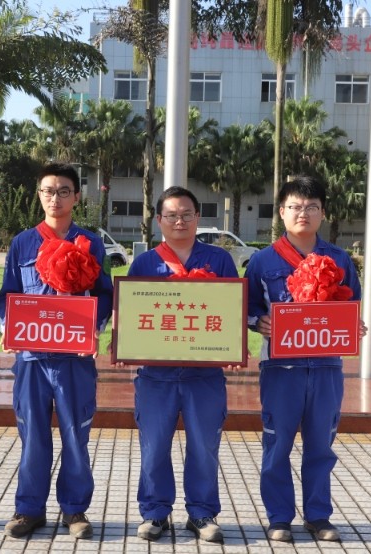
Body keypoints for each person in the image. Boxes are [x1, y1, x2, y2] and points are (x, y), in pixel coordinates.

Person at [0, 162, 113, 540]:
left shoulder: (91, 243)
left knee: (76, 435)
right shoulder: (22, 243)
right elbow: (8, 295)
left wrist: (94, 326)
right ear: (39, 195)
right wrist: (8, 327)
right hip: (31, 358)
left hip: (74, 360)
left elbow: (104, 293)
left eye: (63, 191)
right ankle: (29, 509)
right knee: (32, 435)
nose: (55, 198)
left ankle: (74, 509)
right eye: (48, 190)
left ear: (76, 196)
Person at [245, 175, 363, 543]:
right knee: (277, 444)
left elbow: (351, 303)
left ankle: (318, 516)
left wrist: (353, 325)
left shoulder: (339, 258)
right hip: (280, 367)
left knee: (320, 445)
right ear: (281, 212)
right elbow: (245, 307)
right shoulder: (262, 261)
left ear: (322, 213)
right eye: (295, 206)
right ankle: (279, 518)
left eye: (312, 207)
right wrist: (257, 321)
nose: (303, 213)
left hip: (326, 366)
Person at [123, 186, 238, 543]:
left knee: (204, 446)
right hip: (155, 375)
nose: (179, 221)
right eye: (171, 215)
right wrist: (125, 343)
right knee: (154, 446)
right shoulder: (144, 263)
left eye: (187, 214)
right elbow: (131, 313)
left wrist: (233, 346)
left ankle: (202, 513)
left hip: (204, 374)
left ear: (197, 218)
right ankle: (155, 513)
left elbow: (235, 310)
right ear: (159, 220)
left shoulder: (219, 260)